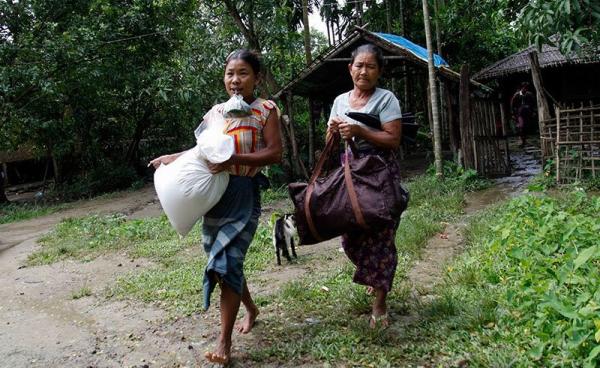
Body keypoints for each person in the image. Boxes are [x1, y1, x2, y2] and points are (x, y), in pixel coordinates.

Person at [149, 49, 282, 365]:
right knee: (225, 263)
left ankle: (224, 342)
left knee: (228, 261)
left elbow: (275, 154)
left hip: (244, 193)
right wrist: (173, 157)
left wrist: (233, 160)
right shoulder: (216, 113)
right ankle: (250, 308)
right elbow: (202, 150)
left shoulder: (266, 110)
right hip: (214, 198)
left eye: (243, 73)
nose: (235, 80)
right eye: (230, 74)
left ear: (257, 78)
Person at [326, 43, 403, 329]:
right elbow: (329, 143)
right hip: (351, 176)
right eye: (359, 65)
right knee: (350, 236)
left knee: (382, 234)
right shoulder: (339, 101)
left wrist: (360, 130)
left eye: (371, 66)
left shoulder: (386, 99)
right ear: (350, 69)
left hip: (380, 177)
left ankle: (380, 304)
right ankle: (373, 273)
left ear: (379, 71)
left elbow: (393, 140)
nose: (364, 71)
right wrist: (334, 132)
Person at [510, 82, 535, 146]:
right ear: (521, 88)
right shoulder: (517, 95)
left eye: (526, 88)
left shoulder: (529, 95)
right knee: (521, 126)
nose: (525, 89)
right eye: (524, 88)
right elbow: (512, 105)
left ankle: (524, 139)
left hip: (527, 113)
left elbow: (532, 103)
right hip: (519, 113)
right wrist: (513, 113)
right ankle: (522, 139)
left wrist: (532, 111)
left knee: (526, 126)